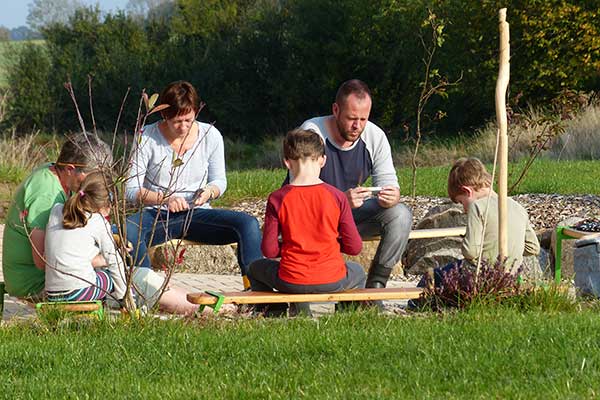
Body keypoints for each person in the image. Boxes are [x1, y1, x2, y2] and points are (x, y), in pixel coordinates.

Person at [125, 80, 262, 289]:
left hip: (197, 213)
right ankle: (147, 291)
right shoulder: (146, 137)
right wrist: (166, 199)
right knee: (129, 231)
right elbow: (130, 189)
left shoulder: (211, 135)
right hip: (157, 214)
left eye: (188, 120)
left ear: (196, 112)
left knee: (248, 224)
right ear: (164, 116)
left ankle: (256, 291)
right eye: (177, 121)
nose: (183, 127)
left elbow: (219, 181)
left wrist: (208, 192)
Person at [298, 79, 412, 291]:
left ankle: (376, 286)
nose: (357, 126)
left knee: (401, 214)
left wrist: (391, 197)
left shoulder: (375, 136)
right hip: (311, 220)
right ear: (335, 109)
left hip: (349, 215)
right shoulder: (312, 133)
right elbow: (303, 197)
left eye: (363, 119)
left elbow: (389, 182)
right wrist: (342, 201)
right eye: (351, 118)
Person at [45, 172, 199, 315]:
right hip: (78, 292)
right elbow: (115, 264)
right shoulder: (98, 221)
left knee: (100, 276)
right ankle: (130, 303)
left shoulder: (57, 210)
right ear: (106, 205)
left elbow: (69, 250)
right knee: (115, 277)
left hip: (52, 293)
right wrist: (124, 299)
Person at [248, 129, 365, 316]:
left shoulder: (277, 198)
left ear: (287, 162)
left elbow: (268, 251)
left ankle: (274, 314)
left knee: (255, 268)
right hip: (332, 279)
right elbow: (354, 247)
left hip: (291, 280)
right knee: (357, 270)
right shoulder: (337, 197)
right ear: (322, 160)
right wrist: (330, 245)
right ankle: (345, 316)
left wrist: (288, 247)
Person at [2, 133, 112, 300]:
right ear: (70, 169)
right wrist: (100, 260)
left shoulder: (56, 173)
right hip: (33, 282)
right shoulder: (47, 195)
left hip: (43, 274)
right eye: (92, 176)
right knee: (112, 270)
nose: (96, 182)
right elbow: (41, 261)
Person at [420, 157, 541, 287]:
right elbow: (533, 247)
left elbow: (471, 252)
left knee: (432, 276)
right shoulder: (518, 207)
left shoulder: (478, 207)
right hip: (509, 276)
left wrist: (467, 241)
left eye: (462, 202)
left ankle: (414, 305)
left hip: (480, 274)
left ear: (467, 191)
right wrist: (510, 249)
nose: (464, 209)